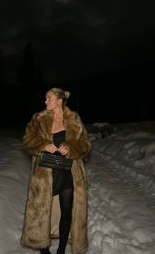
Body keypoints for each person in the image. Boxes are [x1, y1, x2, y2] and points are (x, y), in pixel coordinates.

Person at [20, 87, 91, 254]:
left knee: (66, 212)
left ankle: (60, 250)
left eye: (49, 98)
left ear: (59, 100)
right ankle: (44, 250)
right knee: (41, 212)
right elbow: (27, 140)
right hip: (45, 175)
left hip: (68, 172)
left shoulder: (74, 120)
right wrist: (44, 145)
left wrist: (71, 147)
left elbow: (85, 145)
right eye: (45, 98)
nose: (45, 102)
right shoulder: (38, 119)